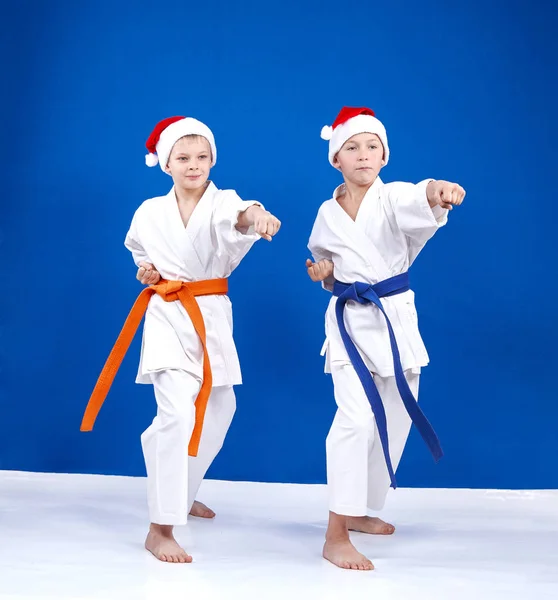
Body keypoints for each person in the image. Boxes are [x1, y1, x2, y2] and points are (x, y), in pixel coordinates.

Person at [81, 115, 281, 563]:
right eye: (184, 158)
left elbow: (241, 214)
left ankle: (181, 487)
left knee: (220, 408)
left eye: (203, 157)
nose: (195, 165)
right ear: (165, 163)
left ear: (213, 159)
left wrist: (258, 217)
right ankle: (161, 526)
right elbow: (141, 254)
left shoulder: (222, 201)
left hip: (210, 315)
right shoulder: (149, 212)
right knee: (175, 413)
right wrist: (148, 272)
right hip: (168, 314)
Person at [306, 106, 465, 570]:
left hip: (394, 319)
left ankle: (359, 511)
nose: (363, 155)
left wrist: (438, 192)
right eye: (352, 147)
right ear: (337, 158)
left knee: (394, 418)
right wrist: (323, 273)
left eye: (372, 146)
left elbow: (421, 199)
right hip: (350, 324)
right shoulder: (326, 211)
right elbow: (321, 261)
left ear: (384, 155)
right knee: (354, 421)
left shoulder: (393, 196)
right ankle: (335, 533)